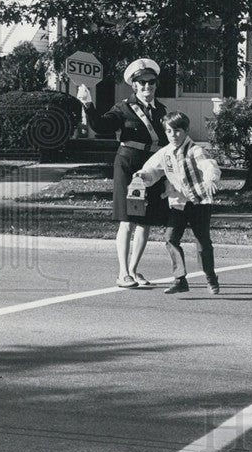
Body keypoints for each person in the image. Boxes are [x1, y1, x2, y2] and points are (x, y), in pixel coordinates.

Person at [77, 58, 169, 288]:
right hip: (129, 166)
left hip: (152, 168)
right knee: (127, 220)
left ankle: (135, 271)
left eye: (151, 82)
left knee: (145, 222)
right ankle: (123, 272)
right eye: (142, 83)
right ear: (134, 85)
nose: (147, 87)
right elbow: (100, 127)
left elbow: (168, 144)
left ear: (156, 84)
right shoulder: (124, 108)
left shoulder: (162, 111)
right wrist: (88, 104)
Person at [134, 111, 222, 295]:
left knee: (202, 242)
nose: (173, 135)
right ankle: (180, 279)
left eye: (177, 131)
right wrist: (144, 175)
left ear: (186, 130)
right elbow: (153, 170)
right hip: (178, 202)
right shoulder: (165, 153)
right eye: (169, 131)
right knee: (171, 238)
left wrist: (211, 179)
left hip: (199, 202)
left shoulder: (195, 150)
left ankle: (211, 278)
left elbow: (208, 164)